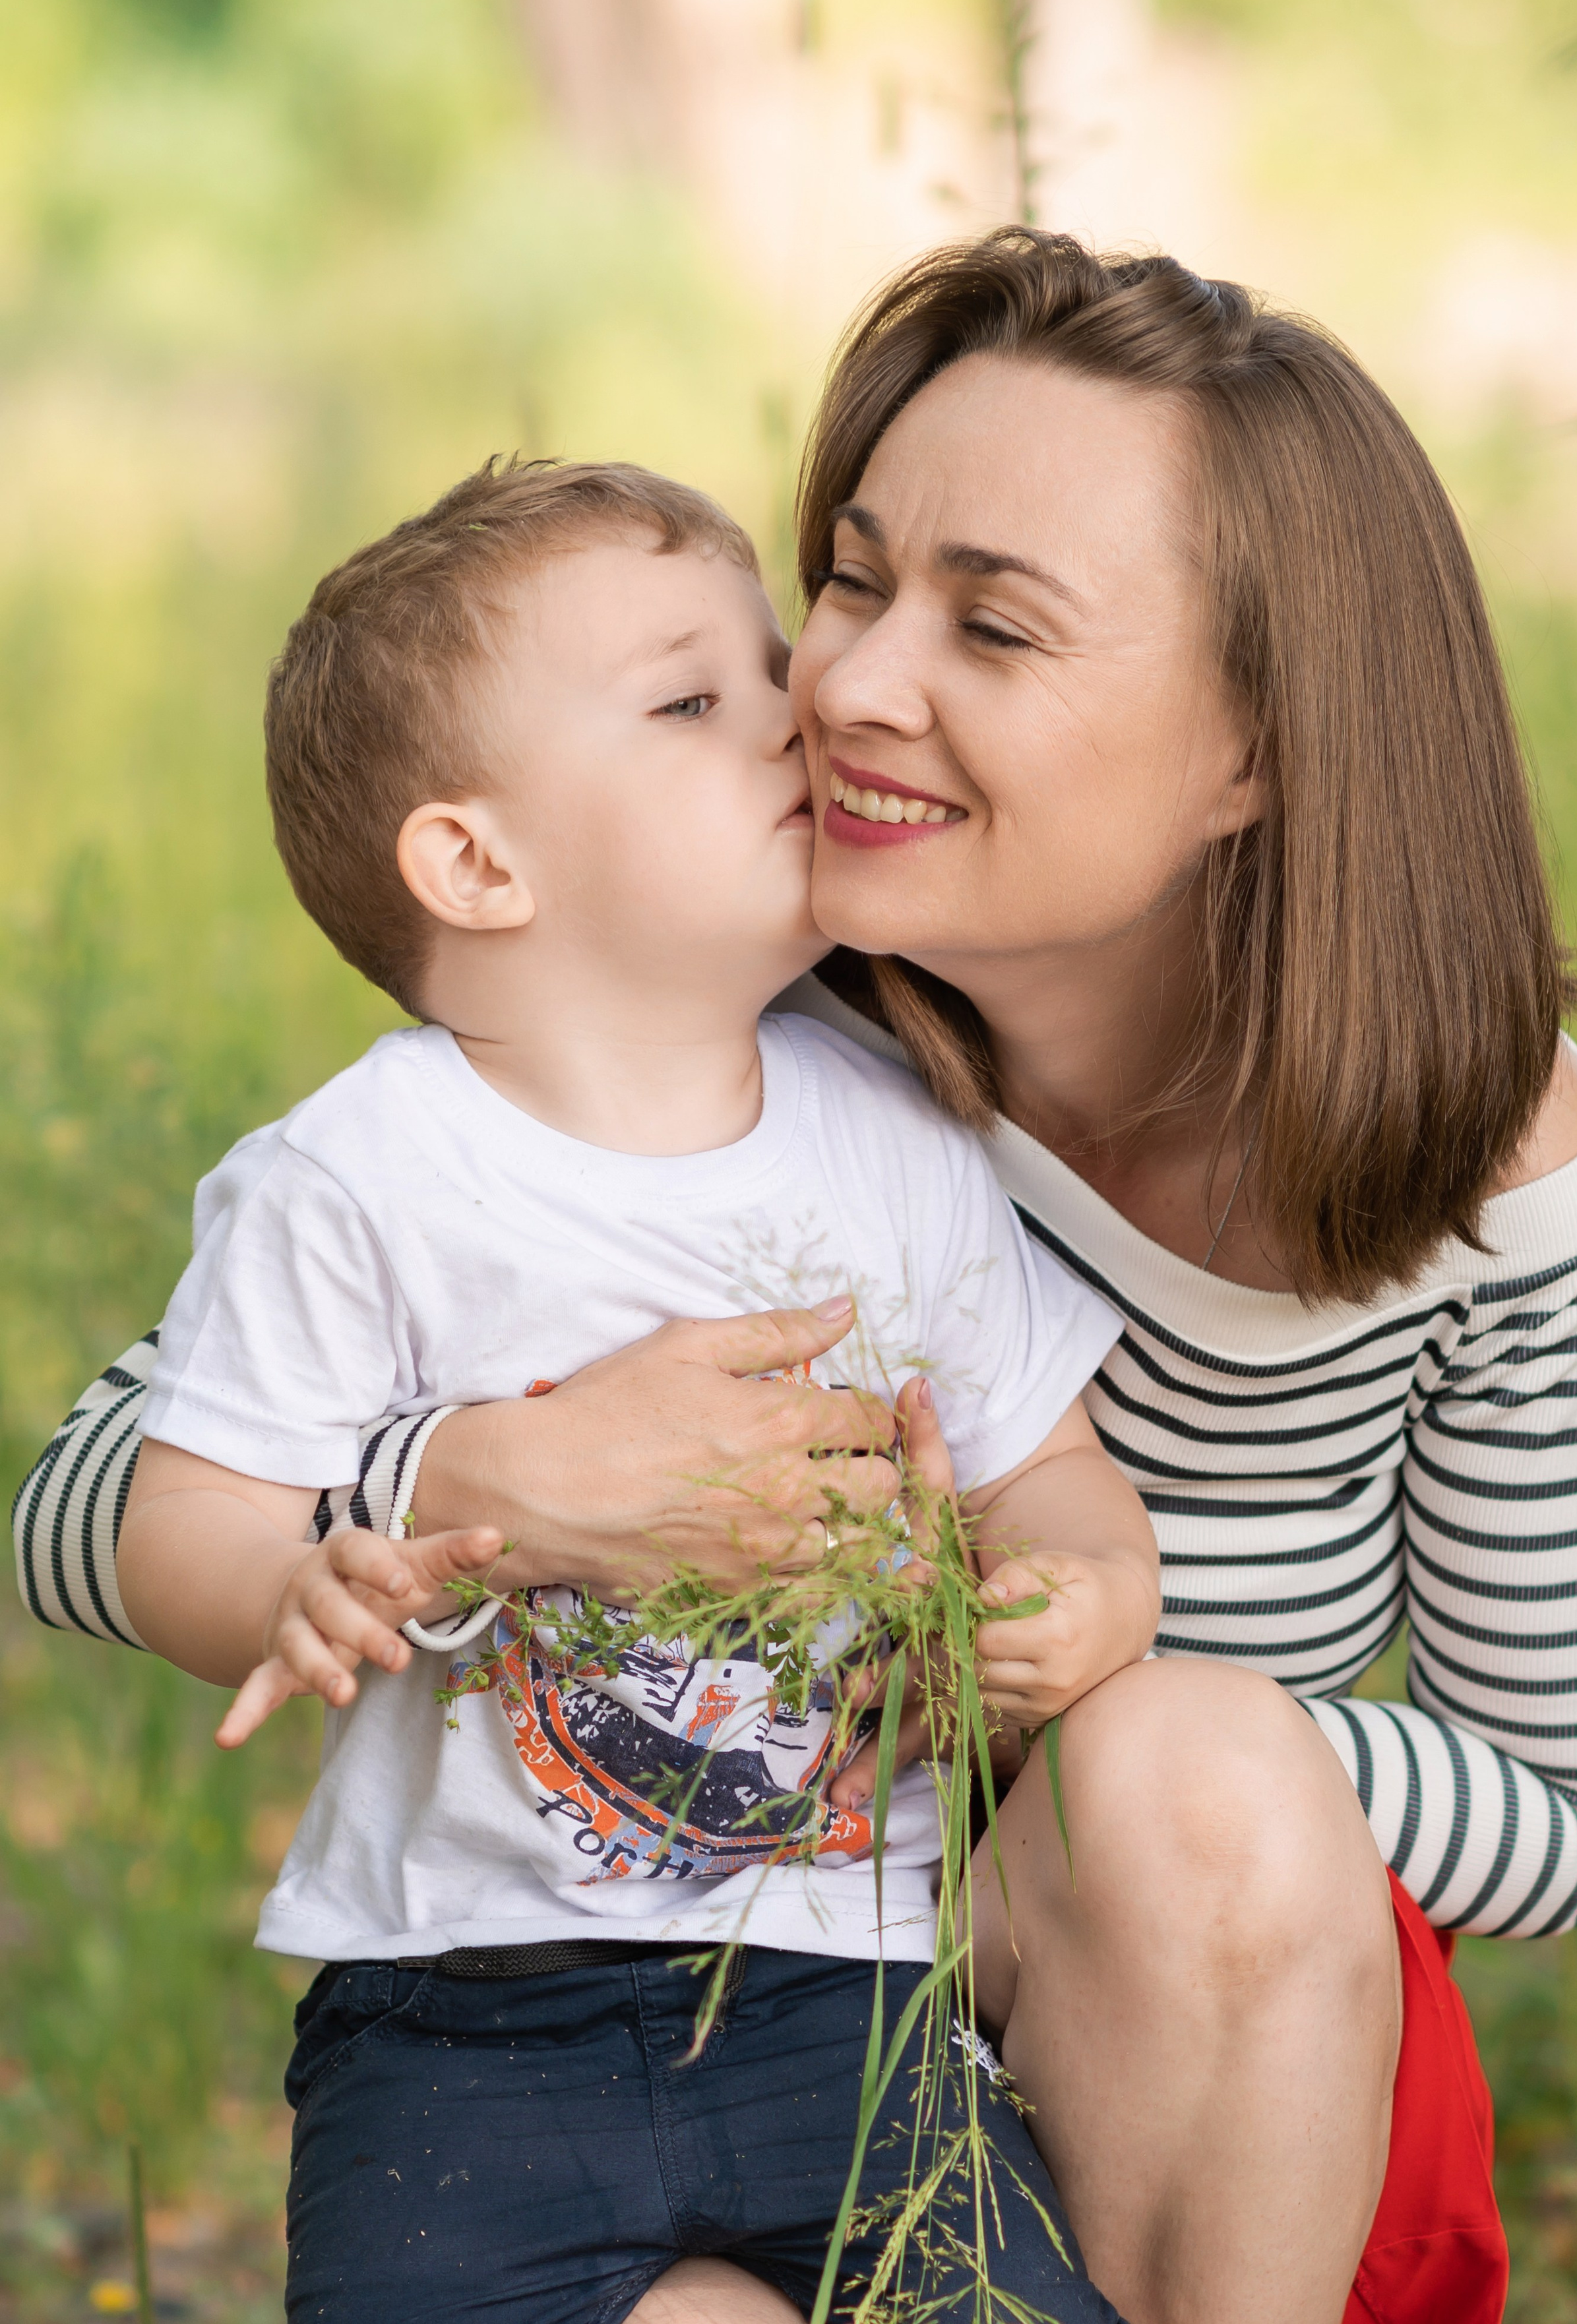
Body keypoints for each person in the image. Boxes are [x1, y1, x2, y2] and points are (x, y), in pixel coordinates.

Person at [16, 231, 1577, 2324]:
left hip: (1205, 2049)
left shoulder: (1486, 1161)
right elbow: (98, 1504)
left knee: (1193, 1787)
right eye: (861, 579)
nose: (851, 683)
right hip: (692, 1996)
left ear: (1257, 747)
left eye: (995, 624)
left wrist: (1111, 1693)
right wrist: (494, 1479)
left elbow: (1572, 1813)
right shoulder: (752, 1021)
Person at [107, 453, 1151, 2323]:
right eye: (692, 701)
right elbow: (177, 1518)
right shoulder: (359, 1175)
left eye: (771, 669)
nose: (794, 719)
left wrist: (1086, 1592)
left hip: (848, 1996)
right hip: (463, 2020)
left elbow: (1045, 1468)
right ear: (478, 863)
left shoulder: (898, 1142)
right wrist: (291, 1581)